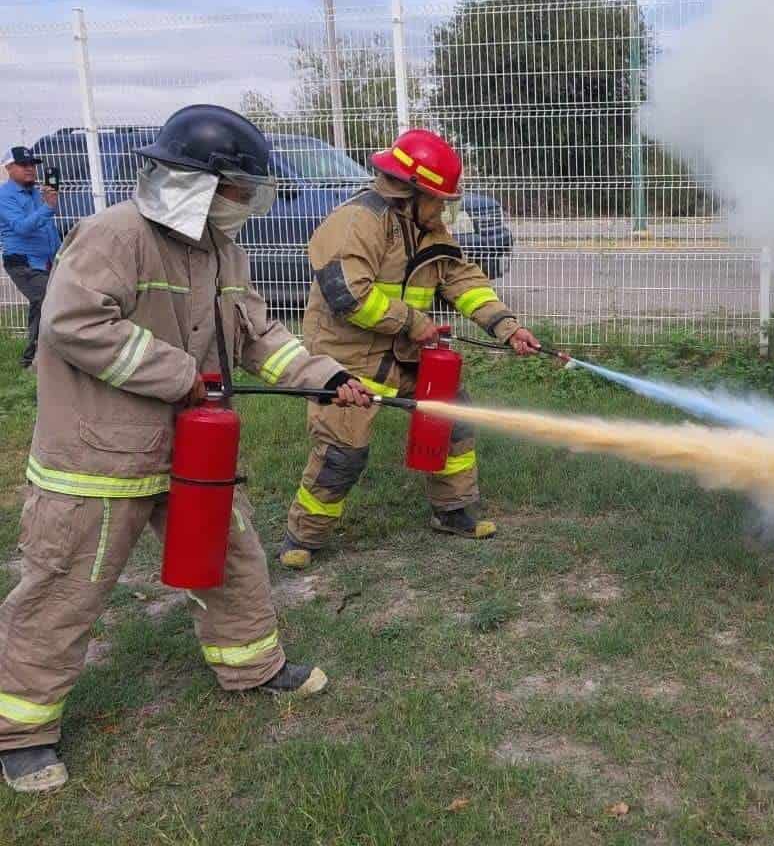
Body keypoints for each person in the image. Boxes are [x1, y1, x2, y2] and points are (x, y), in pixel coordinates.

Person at [0, 105, 373, 794]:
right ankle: (23, 731)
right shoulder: (115, 235)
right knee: (62, 590)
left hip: (194, 453)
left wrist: (328, 377)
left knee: (230, 560)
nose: (244, 206)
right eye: (238, 191)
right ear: (194, 182)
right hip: (98, 457)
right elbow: (74, 323)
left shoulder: (223, 249)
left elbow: (257, 334)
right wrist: (182, 375)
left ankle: (252, 667)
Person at [281, 128, 542, 570]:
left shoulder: (427, 226)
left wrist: (506, 326)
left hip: (405, 358)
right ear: (411, 190)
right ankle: (303, 536)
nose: (444, 208)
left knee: (453, 415)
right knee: (343, 453)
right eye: (438, 199)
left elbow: (461, 279)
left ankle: (453, 512)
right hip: (346, 360)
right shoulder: (355, 223)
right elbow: (349, 296)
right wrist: (414, 322)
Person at [1, 146, 62, 368]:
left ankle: (37, 356)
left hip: (46, 260)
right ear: (9, 168)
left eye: (32, 165)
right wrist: (48, 207)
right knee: (45, 298)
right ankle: (34, 358)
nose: (30, 169)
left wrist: (60, 253)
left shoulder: (37, 193)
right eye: (23, 165)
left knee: (44, 301)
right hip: (22, 261)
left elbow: (47, 229)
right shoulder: (4, 196)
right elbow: (22, 228)